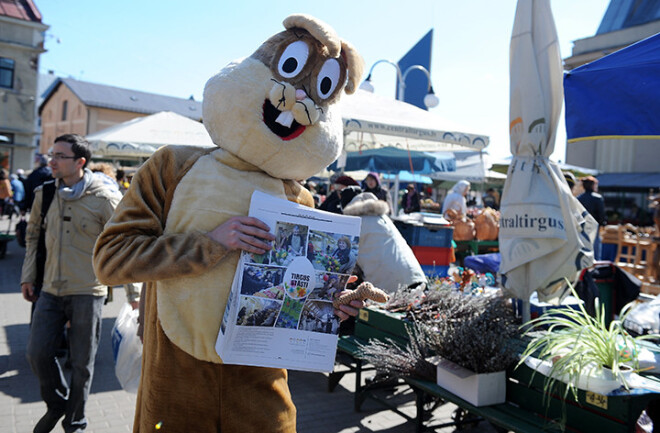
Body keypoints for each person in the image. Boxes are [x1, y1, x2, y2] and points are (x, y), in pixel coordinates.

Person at [93, 14, 364, 433]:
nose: (298, 102)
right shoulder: (173, 167)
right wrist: (210, 243)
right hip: (176, 390)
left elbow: (292, 303)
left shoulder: (299, 197)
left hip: (261, 397)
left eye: (320, 92)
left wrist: (333, 304)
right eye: (289, 70)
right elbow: (110, 260)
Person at [19, 134, 137, 433]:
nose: (52, 161)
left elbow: (124, 243)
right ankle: (57, 403)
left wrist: (133, 292)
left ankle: (76, 421)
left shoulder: (104, 197)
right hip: (50, 289)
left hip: (88, 290)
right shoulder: (44, 193)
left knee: (82, 365)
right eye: (51, 154)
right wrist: (28, 276)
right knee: (37, 353)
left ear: (80, 162)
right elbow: (33, 237)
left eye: (59, 156)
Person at [341, 187, 427, 294]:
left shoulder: (355, 224)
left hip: (389, 286)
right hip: (415, 276)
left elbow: (348, 263)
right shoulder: (383, 218)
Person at [578, 176, 607, 261]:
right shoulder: (597, 198)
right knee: (595, 253)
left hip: (581, 227)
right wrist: (603, 223)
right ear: (593, 186)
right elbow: (601, 215)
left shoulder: (579, 198)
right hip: (594, 227)